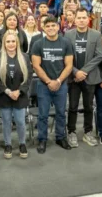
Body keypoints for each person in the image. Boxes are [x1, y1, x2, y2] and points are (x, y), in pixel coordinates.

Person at [31, 16, 74, 154]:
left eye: (53, 25)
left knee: (61, 113)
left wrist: (59, 81)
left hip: (61, 84)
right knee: (43, 114)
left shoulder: (66, 43)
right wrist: (49, 81)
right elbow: (36, 66)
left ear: (58, 27)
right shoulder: (38, 44)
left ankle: (60, 137)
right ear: (43, 28)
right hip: (44, 85)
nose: (50, 28)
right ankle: (42, 139)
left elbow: (69, 65)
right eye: (47, 26)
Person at [64, 8, 102, 147]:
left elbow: (99, 55)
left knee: (88, 106)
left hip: (89, 77)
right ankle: (72, 132)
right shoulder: (68, 35)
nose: (81, 20)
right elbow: (65, 56)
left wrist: (83, 72)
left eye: (83, 17)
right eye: (78, 18)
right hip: (73, 78)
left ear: (88, 19)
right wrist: (75, 72)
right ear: (74, 19)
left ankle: (88, 132)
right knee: (73, 106)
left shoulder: (96, 34)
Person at [0, 31, 32, 159]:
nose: (11, 44)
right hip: (4, 95)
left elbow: (29, 77)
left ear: (17, 43)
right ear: (4, 43)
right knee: (6, 121)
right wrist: (8, 91)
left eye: (13, 41)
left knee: (20, 121)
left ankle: (22, 143)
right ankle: (8, 144)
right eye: (8, 41)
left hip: (20, 95)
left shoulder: (25, 57)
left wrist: (19, 91)